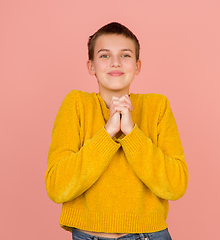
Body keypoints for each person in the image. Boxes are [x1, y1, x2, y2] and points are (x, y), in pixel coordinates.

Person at [45, 22, 189, 240]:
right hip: (88, 235)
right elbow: (57, 187)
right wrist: (108, 132)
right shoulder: (75, 104)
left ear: (138, 66)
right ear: (91, 66)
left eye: (125, 55)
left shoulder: (158, 106)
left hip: (149, 235)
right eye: (104, 55)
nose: (115, 62)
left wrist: (131, 133)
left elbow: (175, 185)